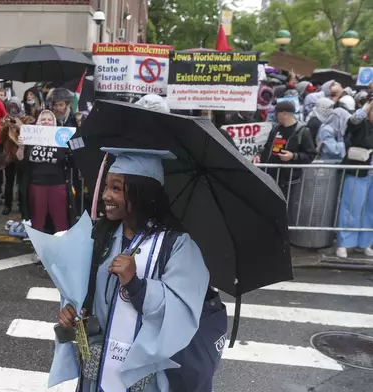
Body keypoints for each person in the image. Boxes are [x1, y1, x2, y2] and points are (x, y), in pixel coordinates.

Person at [54, 148, 214, 392]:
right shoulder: (100, 236)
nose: (106, 195)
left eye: (117, 188)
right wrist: (71, 315)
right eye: (106, 186)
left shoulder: (178, 246)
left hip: (144, 380)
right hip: (96, 374)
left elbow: (183, 311)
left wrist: (137, 285)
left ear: (143, 193)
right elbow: (81, 295)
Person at [17, 109, 70, 234]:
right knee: (37, 221)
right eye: (43, 119)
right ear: (38, 122)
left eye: (49, 119)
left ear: (54, 122)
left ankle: (62, 250)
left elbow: (70, 161)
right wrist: (21, 147)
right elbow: (20, 159)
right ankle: (38, 250)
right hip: (36, 184)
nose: (46, 122)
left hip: (57, 184)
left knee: (60, 221)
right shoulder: (31, 137)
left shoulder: (61, 138)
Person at [335, 102, 373, 258]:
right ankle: (344, 243)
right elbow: (354, 120)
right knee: (350, 207)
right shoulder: (361, 124)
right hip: (358, 172)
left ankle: (365, 243)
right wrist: (368, 105)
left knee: (370, 211)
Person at [253, 101, 316, 192]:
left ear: (284, 114)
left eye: (276, 113)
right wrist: (259, 155)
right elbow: (267, 147)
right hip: (269, 177)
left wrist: (293, 156)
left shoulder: (303, 131)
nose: (275, 116)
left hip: (288, 181)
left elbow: (311, 155)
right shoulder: (275, 128)